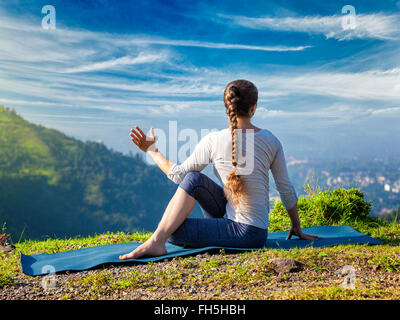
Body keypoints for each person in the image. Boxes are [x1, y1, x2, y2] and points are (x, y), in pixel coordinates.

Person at [119, 79, 317, 260]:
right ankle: (157, 241)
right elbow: (285, 189)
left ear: (227, 108)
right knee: (194, 179)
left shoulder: (213, 140)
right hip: (256, 230)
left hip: (246, 233)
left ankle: (156, 241)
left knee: (171, 230)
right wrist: (297, 227)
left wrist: (152, 150)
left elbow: (177, 175)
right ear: (253, 108)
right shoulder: (271, 140)